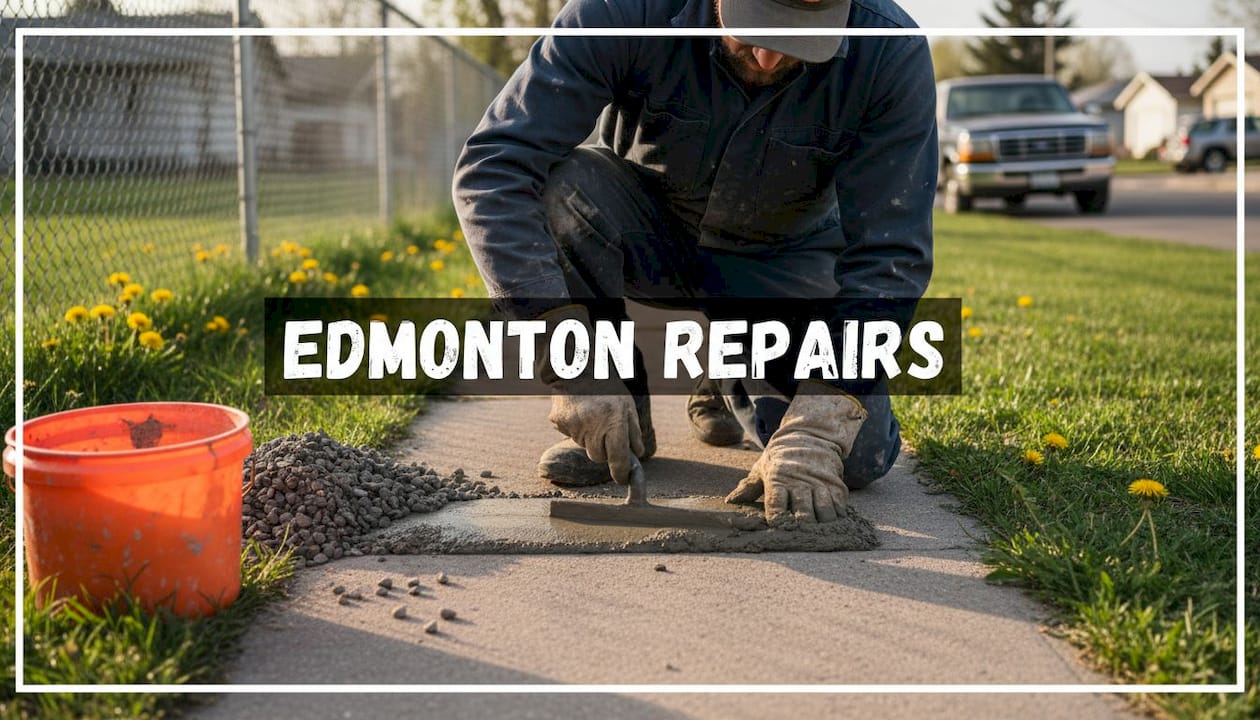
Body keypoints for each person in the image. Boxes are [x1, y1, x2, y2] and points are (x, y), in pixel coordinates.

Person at [452, 0, 936, 526]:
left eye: (800, 40)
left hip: (780, 261)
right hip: (649, 232)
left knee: (859, 455)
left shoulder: (889, 50)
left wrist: (821, 418)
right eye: (753, 28)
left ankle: (728, 368)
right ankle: (618, 422)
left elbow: (891, 252)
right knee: (561, 189)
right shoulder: (621, 11)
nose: (769, 58)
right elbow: (494, 168)